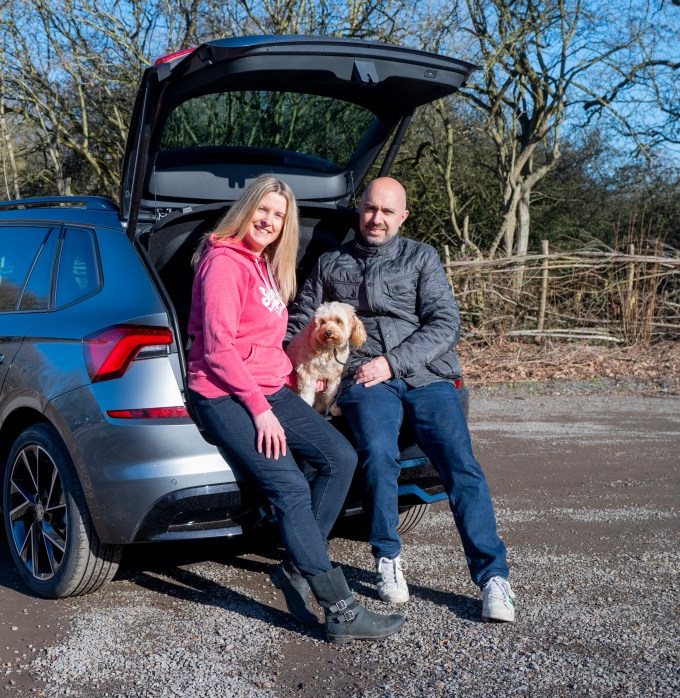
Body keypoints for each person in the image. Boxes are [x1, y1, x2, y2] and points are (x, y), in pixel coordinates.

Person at [187, 173, 404, 643]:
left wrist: (289, 383)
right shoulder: (224, 262)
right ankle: (340, 609)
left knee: (339, 458)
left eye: (279, 215)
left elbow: (263, 344)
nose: (269, 221)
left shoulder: (263, 264)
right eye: (263, 210)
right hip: (223, 393)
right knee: (288, 485)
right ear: (246, 209)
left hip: (269, 388)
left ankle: (295, 570)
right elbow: (220, 350)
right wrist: (261, 409)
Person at [287, 176, 516, 623]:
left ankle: (493, 578)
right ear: (360, 210)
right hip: (361, 376)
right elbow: (301, 316)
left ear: (403, 217)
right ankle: (387, 556)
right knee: (377, 450)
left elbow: (446, 321)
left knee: (459, 462)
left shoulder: (420, 257)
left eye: (388, 212)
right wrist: (298, 359)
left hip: (426, 374)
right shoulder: (332, 263)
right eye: (371, 209)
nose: (377, 219)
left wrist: (395, 362)